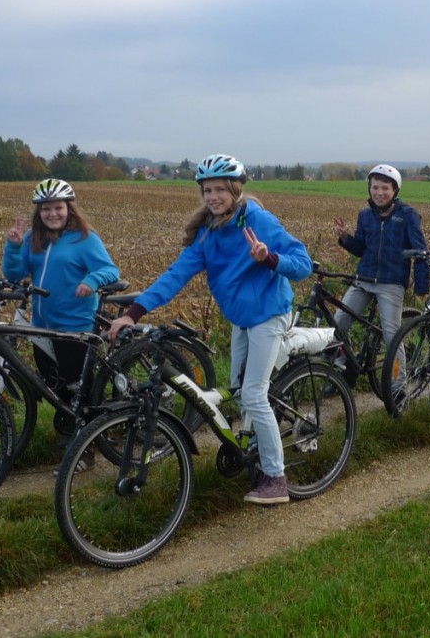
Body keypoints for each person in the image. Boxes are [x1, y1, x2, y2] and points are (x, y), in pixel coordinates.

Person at [108, 154, 313, 505]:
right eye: (207, 190)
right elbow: (175, 276)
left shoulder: (258, 220)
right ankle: (254, 452)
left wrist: (269, 258)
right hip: (241, 319)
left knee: (253, 394)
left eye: (220, 189)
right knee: (239, 390)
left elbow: (303, 264)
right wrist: (134, 313)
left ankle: (276, 477)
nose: (213, 196)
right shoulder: (207, 234)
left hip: (269, 314)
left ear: (235, 189)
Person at [3, 178, 120, 463]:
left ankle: (87, 449)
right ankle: (74, 433)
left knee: (77, 388)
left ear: (69, 208)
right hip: (43, 324)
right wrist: (14, 247)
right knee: (55, 385)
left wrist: (92, 280)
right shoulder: (33, 238)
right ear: (38, 212)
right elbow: (15, 275)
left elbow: (110, 270)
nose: (52, 214)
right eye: (46, 209)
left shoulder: (84, 238)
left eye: (58, 208)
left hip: (75, 325)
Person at [333, 164, 430, 398]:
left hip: (390, 283)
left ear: (394, 191)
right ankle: (343, 372)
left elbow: (421, 252)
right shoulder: (365, 215)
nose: (379, 192)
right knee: (338, 324)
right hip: (363, 278)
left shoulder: (407, 215)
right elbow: (362, 249)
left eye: (385, 188)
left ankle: (398, 389)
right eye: (375, 187)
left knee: (391, 335)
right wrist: (346, 238)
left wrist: (422, 284)